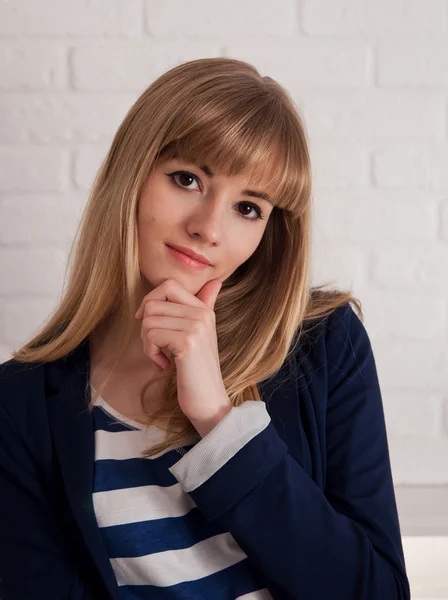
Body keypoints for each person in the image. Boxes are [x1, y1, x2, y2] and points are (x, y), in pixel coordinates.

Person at [0, 57, 411, 599]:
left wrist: (219, 421)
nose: (208, 228)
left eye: (248, 207)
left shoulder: (325, 344)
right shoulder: (21, 405)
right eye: (187, 179)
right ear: (132, 174)